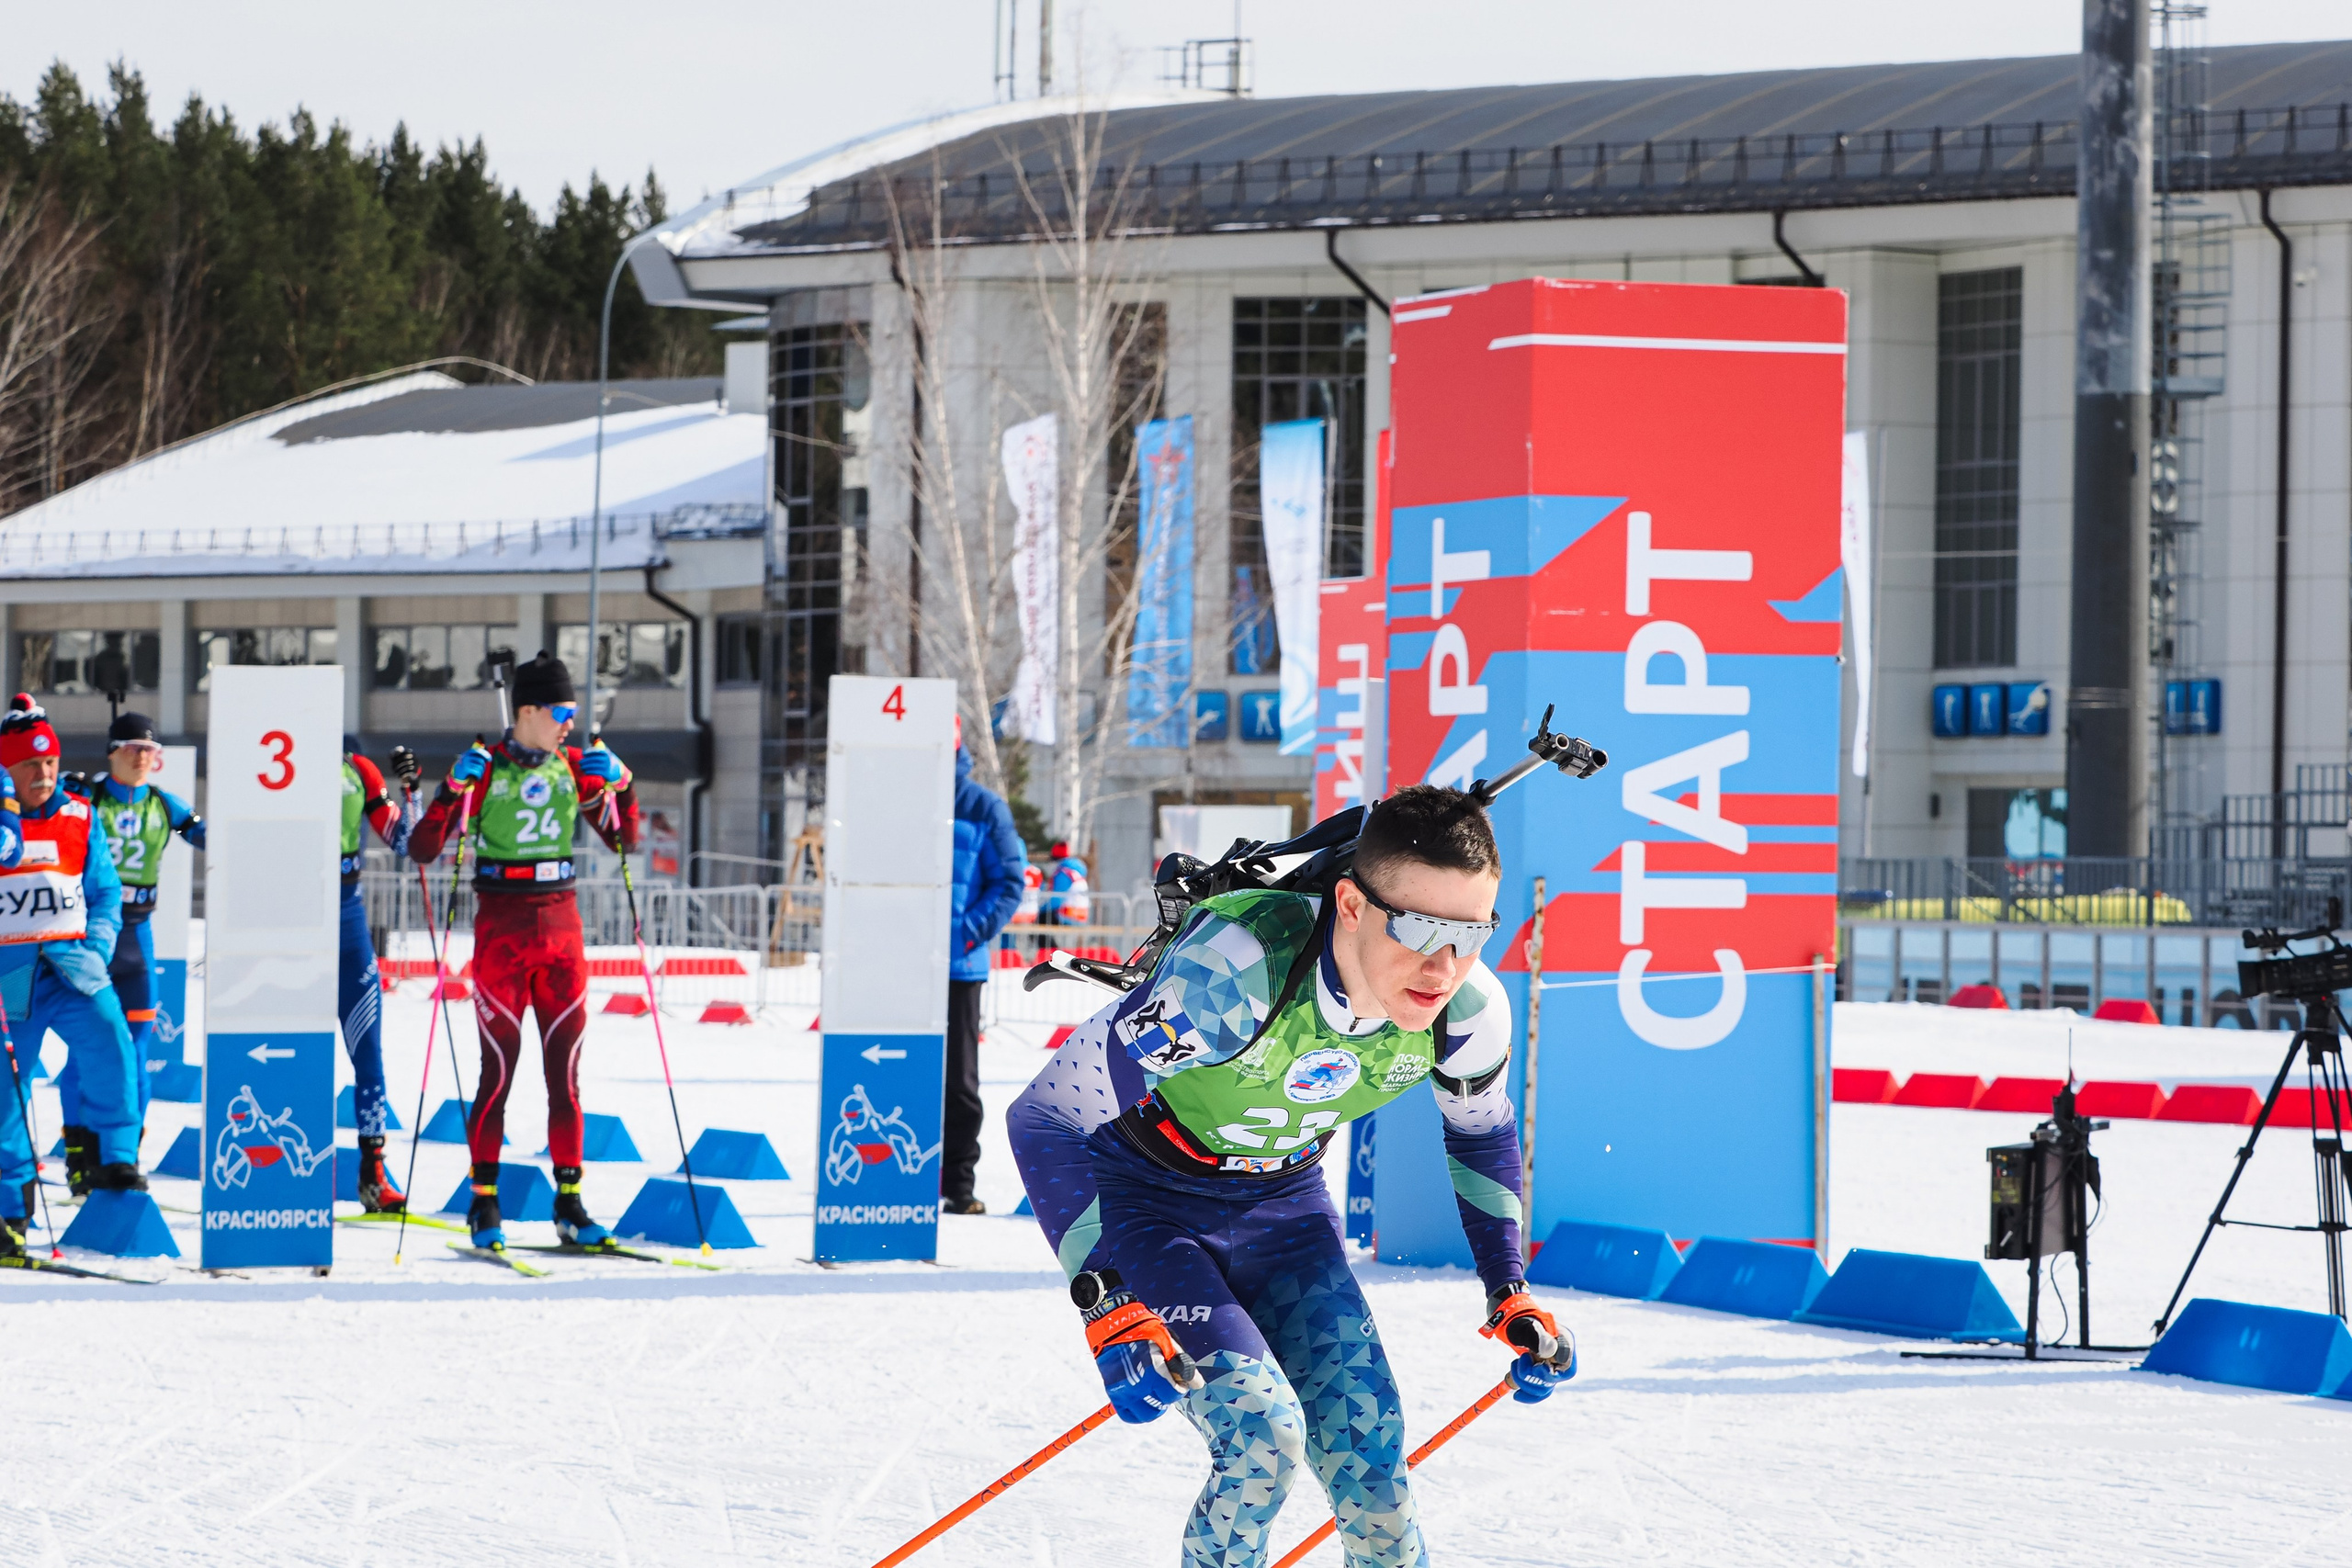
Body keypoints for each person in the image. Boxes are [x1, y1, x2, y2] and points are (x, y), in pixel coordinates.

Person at [1006, 785, 1575, 1567]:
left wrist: (1508, 1289)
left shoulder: (1469, 1010)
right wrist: (1107, 1300)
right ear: (1350, 903)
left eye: (1472, 933)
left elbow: (1482, 1134)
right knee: (1261, 1441)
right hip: (1150, 1204)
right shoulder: (1230, 979)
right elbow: (1045, 1116)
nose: (1444, 966)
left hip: (1284, 1212)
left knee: (1372, 1459)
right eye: (1418, 928)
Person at [406, 651, 639, 1254]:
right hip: (502, 934)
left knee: (566, 1076)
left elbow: (623, 839)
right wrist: (450, 787)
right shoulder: (485, 770)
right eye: (562, 711)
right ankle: (484, 1200)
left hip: (561, 932)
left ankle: (570, 1201)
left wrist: (623, 784)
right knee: (498, 1074)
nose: (571, 722)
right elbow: (425, 848)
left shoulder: (573, 766)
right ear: (528, 710)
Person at [0, 696, 145, 1222]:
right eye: (28, 765)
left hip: (73, 964)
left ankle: (115, 1161)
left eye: (49, 763)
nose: (42, 773)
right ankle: (12, 1203)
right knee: (7, 1089)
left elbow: (106, 892)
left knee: (113, 1046)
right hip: (12, 976)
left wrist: (99, 946)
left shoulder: (80, 815)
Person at [55, 712, 203, 1187]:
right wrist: (60, 787)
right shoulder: (88, 797)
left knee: (137, 1053)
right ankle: (80, 1151)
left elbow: (213, 838)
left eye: (150, 749)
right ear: (112, 752)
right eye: (133, 747)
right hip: (89, 937)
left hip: (137, 939)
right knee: (86, 1050)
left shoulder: (163, 803)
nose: (143, 756)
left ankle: (124, 1156)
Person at [942, 728, 1025, 1216]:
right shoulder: (898, 793)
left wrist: (965, 933)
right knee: (902, 1073)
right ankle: (898, 1178)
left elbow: (1009, 882)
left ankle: (958, 1185)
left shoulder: (982, 805)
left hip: (957, 966)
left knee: (959, 1083)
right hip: (902, 968)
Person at [340, 736, 424, 1212]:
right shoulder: (272, 758)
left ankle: (373, 1171)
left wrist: (411, 790)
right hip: (291, 924)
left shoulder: (359, 769)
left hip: (348, 919)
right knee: (288, 1048)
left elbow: (406, 843)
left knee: (369, 1050)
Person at [1043, 840, 1090, 926]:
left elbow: (1056, 899)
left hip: (1068, 915)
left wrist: (1041, 909)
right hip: (1081, 915)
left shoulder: (1063, 874)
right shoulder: (1076, 873)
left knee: (1040, 919)